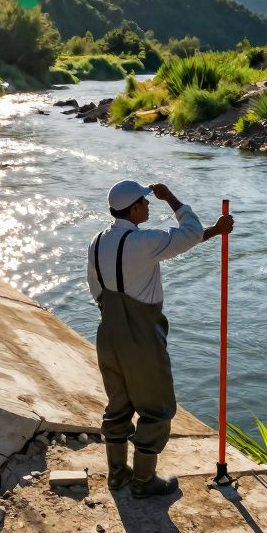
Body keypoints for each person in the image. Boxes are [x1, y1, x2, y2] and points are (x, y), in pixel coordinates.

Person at [87, 180, 234, 498]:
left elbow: (96, 291)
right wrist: (173, 199)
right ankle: (143, 481)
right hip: (142, 338)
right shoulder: (144, 241)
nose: (150, 205)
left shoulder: (97, 241)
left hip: (108, 333)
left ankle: (117, 475)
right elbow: (190, 233)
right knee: (156, 409)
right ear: (135, 207)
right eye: (147, 201)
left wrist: (216, 231)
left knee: (118, 406)